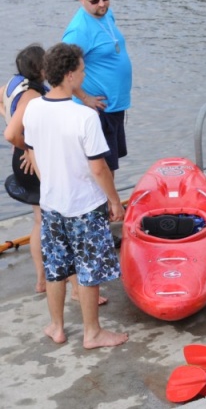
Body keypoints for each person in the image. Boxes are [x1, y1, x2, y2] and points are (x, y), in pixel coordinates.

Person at [23, 42, 127, 349]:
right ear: (69, 75)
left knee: (57, 267)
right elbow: (98, 169)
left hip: (52, 203)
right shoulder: (84, 117)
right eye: (82, 70)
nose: (84, 74)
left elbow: (31, 150)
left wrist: (49, 182)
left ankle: (56, 326)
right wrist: (114, 200)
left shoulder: (34, 108)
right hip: (84, 204)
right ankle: (92, 332)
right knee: (89, 269)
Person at [62, 0, 132, 176]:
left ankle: (111, 204)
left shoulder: (106, 14)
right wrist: (84, 98)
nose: (102, 4)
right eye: (95, 0)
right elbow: (60, 71)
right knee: (100, 168)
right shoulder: (78, 32)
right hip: (98, 111)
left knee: (111, 165)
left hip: (114, 107)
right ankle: (109, 206)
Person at [2, 44, 49, 293]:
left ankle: (41, 279)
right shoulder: (32, 95)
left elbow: (1, 99)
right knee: (50, 220)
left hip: (22, 158)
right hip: (31, 160)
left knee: (39, 220)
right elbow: (10, 134)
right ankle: (63, 283)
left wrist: (9, 117)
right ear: (40, 69)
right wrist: (26, 146)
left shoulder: (14, 83)